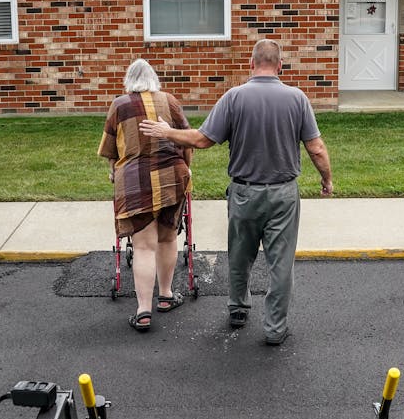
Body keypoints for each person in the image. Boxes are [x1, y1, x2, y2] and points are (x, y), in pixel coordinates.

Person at [140, 38, 332, 345]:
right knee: (281, 264)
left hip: (244, 194)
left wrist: (167, 132)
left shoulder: (234, 97)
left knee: (241, 256)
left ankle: (239, 309)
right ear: (280, 66)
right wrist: (327, 180)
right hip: (283, 194)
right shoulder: (297, 98)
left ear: (251, 65)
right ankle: (275, 329)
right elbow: (317, 149)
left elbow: (202, 139)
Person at [99, 58, 193, 332]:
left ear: (129, 80)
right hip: (170, 179)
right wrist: (187, 169)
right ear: (154, 79)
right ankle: (165, 295)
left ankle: (143, 311)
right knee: (167, 239)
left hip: (135, 182)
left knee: (142, 247)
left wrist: (114, 171)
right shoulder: (170, 101)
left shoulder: (119, 104)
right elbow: (186, 140)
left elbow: (110, 151)